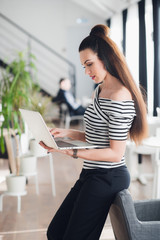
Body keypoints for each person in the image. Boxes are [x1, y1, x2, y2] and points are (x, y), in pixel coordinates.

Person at [40, 24, 148, 240]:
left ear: (106, 58)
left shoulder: (120, 96)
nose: (87, 72)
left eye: (90, 64)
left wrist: (70, 153)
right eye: (83, 67)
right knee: (55, 232)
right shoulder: (99, 90)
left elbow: (114, 153)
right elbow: (93, 137)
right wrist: (65, 133)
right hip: (91, 173)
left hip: (108, 175)